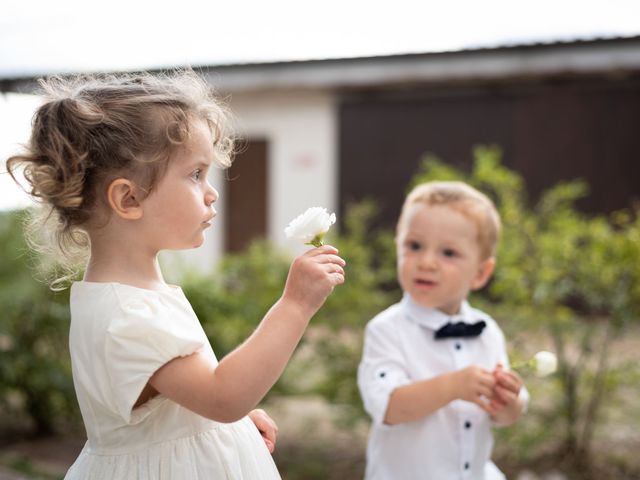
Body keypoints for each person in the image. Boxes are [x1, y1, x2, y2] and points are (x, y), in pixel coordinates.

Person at [6, 70, 346, 479]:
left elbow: (190, 403)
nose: (211, 190)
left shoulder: (136, 296)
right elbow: (224, 396)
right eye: (195, 174)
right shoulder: (129, 316)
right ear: (128, 198)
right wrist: (295, 305)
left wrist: (219, 424)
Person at [357, 181, 527, 480]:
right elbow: (389, 407)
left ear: (480, 273)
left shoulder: (487, 332)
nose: (426, 262)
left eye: (448, 253)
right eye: (414, 246)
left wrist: (508, 402)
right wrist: (453, 387)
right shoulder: (387, 330)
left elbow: (505, 417)